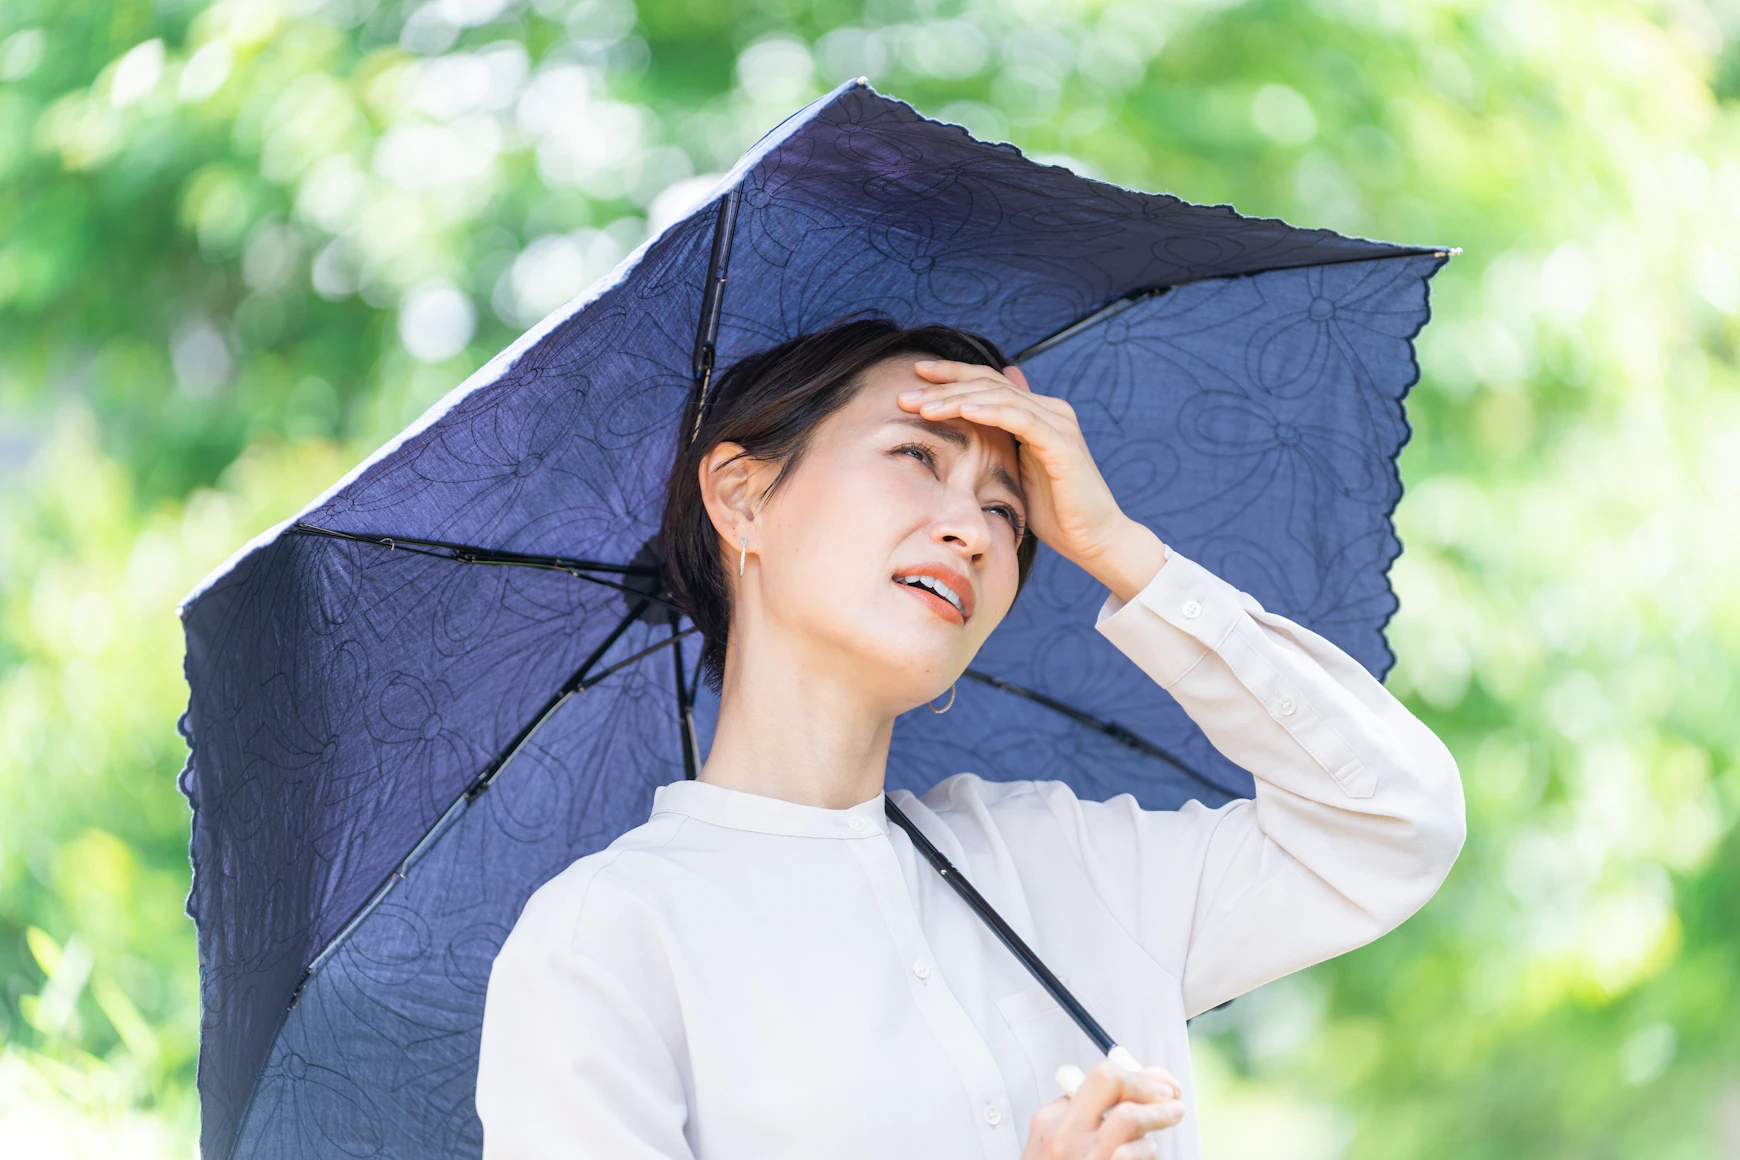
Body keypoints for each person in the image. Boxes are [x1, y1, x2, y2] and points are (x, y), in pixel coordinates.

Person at [474, 319, 1466, 1159]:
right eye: (917, 457)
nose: (978, 531)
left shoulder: (1067, 865)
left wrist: (1117, 548)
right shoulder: (608, 939)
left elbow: (1393, 823)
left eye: (1008, 507)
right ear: (740, 497)